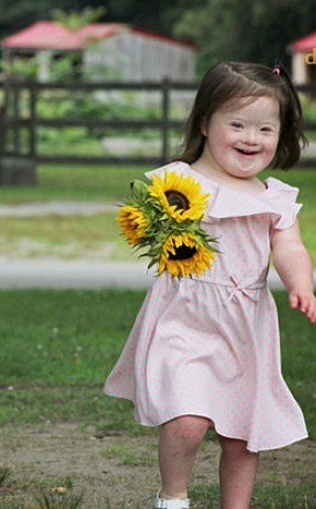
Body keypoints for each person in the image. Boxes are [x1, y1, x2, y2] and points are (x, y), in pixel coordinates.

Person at [103, 61, 316, 509]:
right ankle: (173, 497)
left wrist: (301, 285)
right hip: (185, 320)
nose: (250, 138)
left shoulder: (273, 198)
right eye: (236, 124)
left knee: (242, 435)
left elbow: (290, 247)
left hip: (245, 330)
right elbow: (147, 226)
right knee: (187, 420)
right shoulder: (179, 185)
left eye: (264, 129)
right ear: (205, 122)